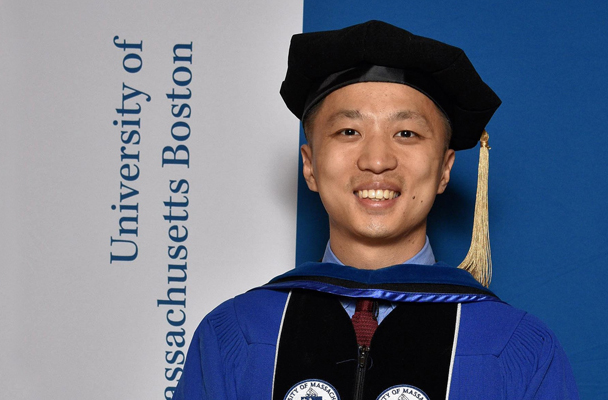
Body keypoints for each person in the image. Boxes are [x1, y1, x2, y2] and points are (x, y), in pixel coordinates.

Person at [172, 20, 579, 400]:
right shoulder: (237, 334)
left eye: (407, 133)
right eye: (349, 131)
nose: (378, 159)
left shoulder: (514, 346)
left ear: (444, 170)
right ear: (310, 166)